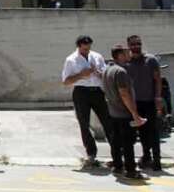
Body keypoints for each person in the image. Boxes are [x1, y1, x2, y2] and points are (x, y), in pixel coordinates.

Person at [60, 35, 111, 167]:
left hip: (97, 91)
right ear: (79, 46)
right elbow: (66, 81)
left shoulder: (97, 56)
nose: (87, 51)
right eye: (84, 49)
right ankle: (91, 154)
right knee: (84, 123)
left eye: (89, 48)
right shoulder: (71, 60)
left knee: (107, 120)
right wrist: (81, 75)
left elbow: (105, 74)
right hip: (81, 92)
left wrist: (99, 73)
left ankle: (116, 152)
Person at [102, 43, 148, 180]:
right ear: (120, 55)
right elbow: (124, 93)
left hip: (113, 112)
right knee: (128, 143)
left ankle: (117, 166)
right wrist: (134, 113)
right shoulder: (120, 72)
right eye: (127, 52)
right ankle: (131, 170)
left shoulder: (107, 69)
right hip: (123, 113)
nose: (130, 54)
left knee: (116, 141)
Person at [123, 34, 162, 170]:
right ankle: (146, 157)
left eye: (138, 44)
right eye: (133, 44)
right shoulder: (127, 62)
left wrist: (158, 97)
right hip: (134, 104)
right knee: (141, 133)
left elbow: (158, 79)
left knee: (154, 132)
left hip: (150, 102)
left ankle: (157, 161)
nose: (136, 47)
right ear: (128, 46)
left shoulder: (151, 60)